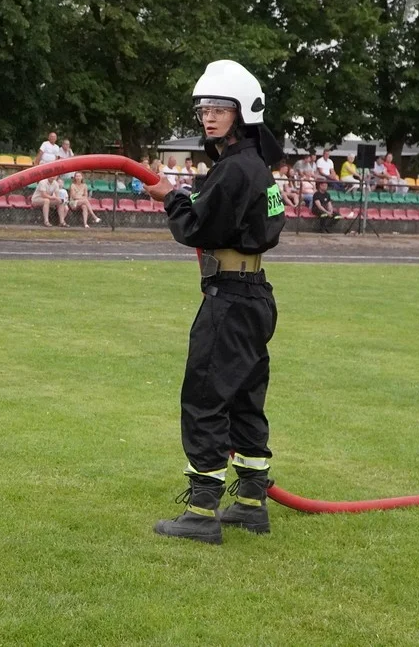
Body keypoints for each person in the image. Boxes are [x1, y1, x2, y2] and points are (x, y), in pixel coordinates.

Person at [146, 60, 286, 544]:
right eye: (204, 108)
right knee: (246, 395)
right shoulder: (257, 168)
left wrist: (170, 197)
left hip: (229, 298)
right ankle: (250, 503)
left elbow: (196, 229)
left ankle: (203, 509)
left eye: (220, 109)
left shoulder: (234, 170)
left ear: (241, 112)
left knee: (206, 395)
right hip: (254, 295)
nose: (209, 117)